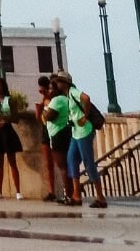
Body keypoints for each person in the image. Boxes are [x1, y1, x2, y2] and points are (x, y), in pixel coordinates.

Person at [60, 72, 107, 209]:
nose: (57, 84)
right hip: (76, 132)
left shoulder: (73, 92)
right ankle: (76, 195)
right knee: (71, 159)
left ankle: (100, 197)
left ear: (66, 82)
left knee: (88, 162)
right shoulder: (68, 95)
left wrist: (85, 116)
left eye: (60, 81)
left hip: (84, 131)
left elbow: (86, 98)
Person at [0, 76, 22, 199]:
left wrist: (6, 119)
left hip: (7, 130)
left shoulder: (10, 100)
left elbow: (16, 117)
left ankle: (18, 191)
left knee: (12, 161)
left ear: (3, 86)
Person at [42, 74, 75, 204]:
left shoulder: (57, 101)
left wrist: (45, 109)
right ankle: (71, 194)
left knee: (62, 167)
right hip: (66, 132)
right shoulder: (66, 99)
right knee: (67, 166)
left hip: (58, 134)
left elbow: (47, 116)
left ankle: (68, 195)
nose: (48, 91)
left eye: (50, 88)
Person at [35, 75, 57, 200]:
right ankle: (51, 191)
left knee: (60, 162)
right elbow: (39, 118)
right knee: (48, 163)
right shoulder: (44, 99)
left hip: (55, 130)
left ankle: (65, 191)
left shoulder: (54, 99)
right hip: (46, 130)